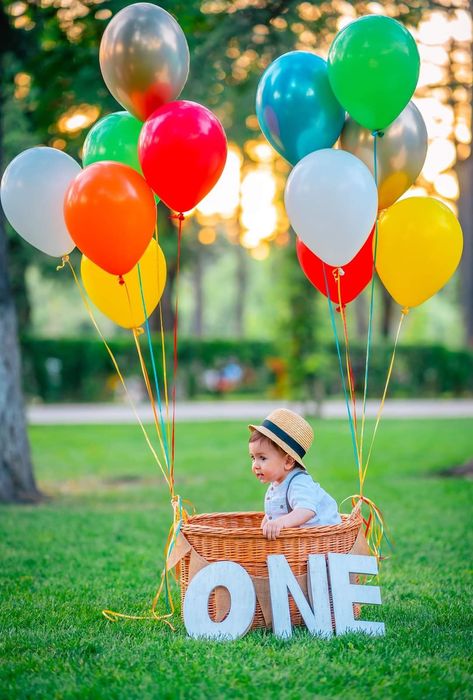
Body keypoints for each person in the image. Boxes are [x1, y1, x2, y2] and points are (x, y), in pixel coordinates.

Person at [249, 408, 341, 540]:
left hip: (324, 540)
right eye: (253, 458)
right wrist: (262, 531)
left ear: (288, 461)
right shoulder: (277, 483)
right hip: (302, 542)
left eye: (262, 458)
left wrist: (280, 523)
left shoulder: (299, 483)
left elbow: (306, 510)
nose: (255, 465)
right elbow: (273, 514)